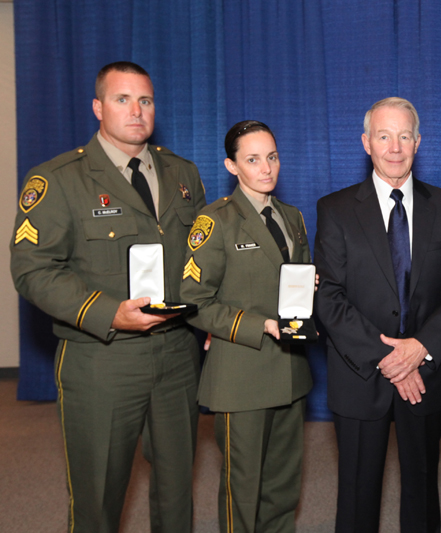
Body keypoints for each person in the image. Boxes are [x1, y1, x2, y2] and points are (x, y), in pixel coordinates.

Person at [10, 61, 206, 532]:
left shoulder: (183, 173)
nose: (137, 111)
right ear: (98, 107)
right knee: (98, 493)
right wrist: (109, 314)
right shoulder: (58, 179)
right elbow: (32, 270)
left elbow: (203, 259)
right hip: (102, 357)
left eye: (146, 100)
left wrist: (215, 319)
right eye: (123, 100)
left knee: (177, 490)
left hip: (177, 354)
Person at [314, 97, 441, 532]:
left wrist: (419, 349)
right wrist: (389, 358)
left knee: (422, 491)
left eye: (405, 136)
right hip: (360, 374)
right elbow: (328, 297)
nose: (395, 147)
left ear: (418, 142)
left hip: (426, 374)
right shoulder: (335, 209)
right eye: (384, 136)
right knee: (356, 494)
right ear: (366, 142)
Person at [180, 120, 312, 533]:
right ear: (232, 166)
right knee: (243, 487)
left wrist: (311, 286)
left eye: (271, 157)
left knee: (282, 484)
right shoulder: (215, 220)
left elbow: (294, 280)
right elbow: (195, 302)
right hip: (242, 373)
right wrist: (261, 325)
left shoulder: (292, 217)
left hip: (290, 370)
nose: (266, 167)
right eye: (253, 159)